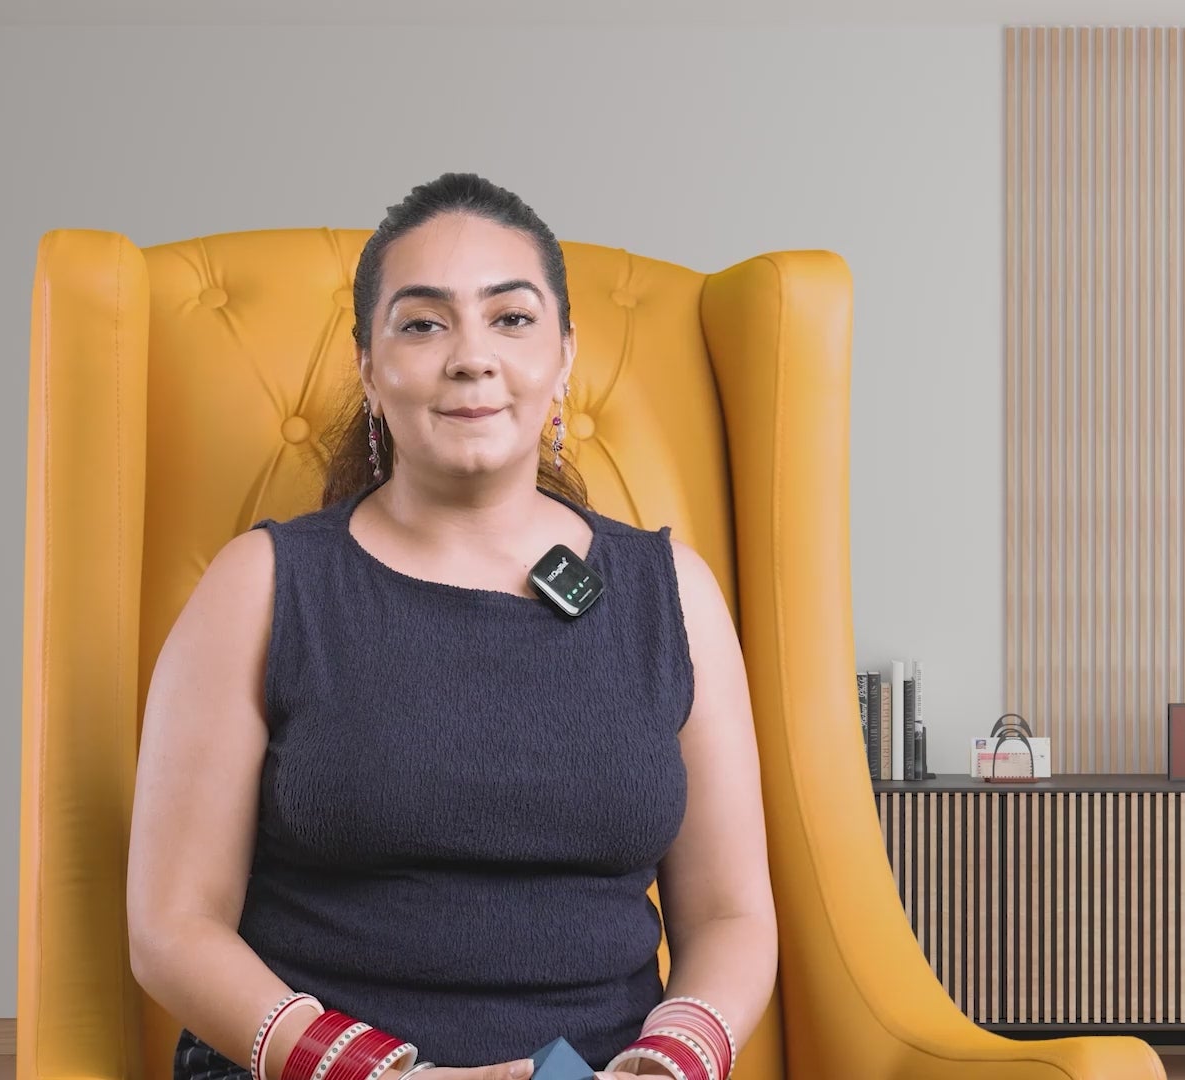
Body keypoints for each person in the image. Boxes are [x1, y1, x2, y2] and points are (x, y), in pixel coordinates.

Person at [126, 173, 776, 1080]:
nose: (472, 356)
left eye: (510, 318)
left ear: (564, 354)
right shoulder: (262, 585)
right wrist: (381, 1075)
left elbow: (732, 917)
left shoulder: (673, 595)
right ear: (368, 367)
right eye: (424, 323)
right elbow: (171, 928)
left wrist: (671, 1059)